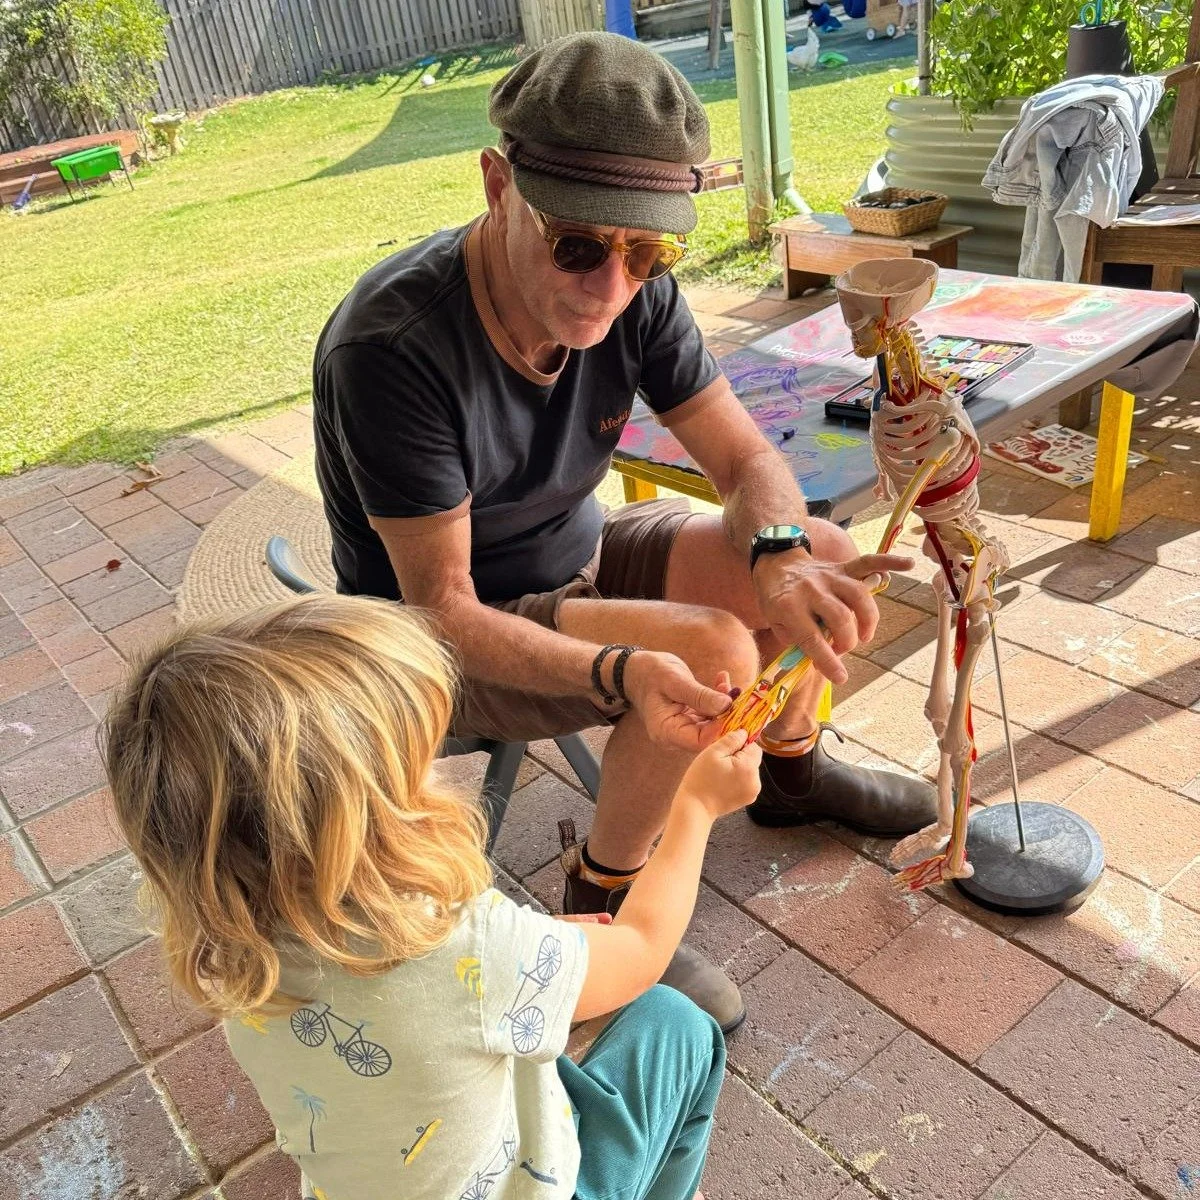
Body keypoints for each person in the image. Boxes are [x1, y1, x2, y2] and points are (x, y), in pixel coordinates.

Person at [312, 31, 936, 1032]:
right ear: (497, 186)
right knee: (712, 650)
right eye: (577, 245)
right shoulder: (393, 348)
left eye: (646, 253)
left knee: (814, 553)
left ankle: (791, 775)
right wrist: (623, 670)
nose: (611, 286)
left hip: (582, 555)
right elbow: (441, 610)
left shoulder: (638, 292)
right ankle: (601, 904)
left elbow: (747, 462)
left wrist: (778, 561)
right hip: (439, 636)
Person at [102, 595, 762, 1200]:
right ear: (357, 821)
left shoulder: (228, 943)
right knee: (677, 1026)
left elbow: (432, 1008)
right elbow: (643, 947)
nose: (439, 774)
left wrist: (534, 957)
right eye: (417, 765)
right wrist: (696, 808)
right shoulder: (467, 946)